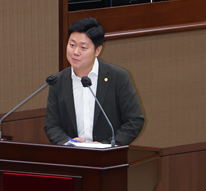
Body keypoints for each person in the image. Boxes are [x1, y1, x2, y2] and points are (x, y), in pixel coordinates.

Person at [44, 17, 144, 145]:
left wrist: (106, 145)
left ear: (97, 50)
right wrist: (68, 143)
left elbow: (134, 121)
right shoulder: (57, 81)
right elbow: (52, 125)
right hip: (72, 154)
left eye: (83, 47)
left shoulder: (118, 77)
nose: (75, 52)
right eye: (72, 45)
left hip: (108, 154)